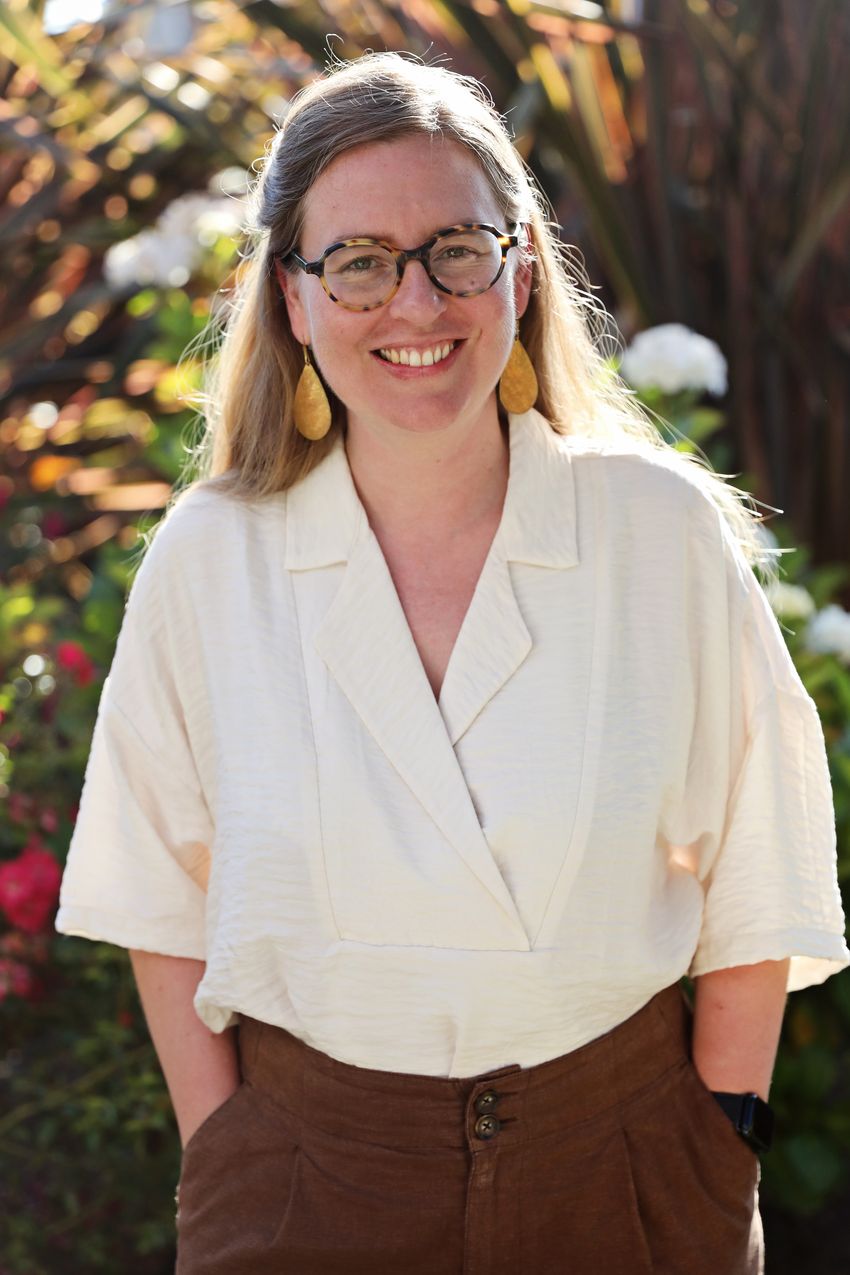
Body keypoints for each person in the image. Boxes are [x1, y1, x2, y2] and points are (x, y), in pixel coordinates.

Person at [55, 52, 849, 1275]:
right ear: (292, 295)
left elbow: (759, 858)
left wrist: (719, 1131)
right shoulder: (213, 559)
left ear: (520, 271)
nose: (415, 304)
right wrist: (230, 1144)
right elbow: (159, 889)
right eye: (360, 262)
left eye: (455, 251)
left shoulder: (657, 531)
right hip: (309, 1188)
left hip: (625, 1170)